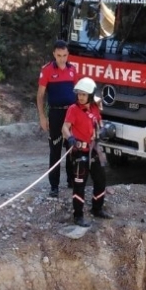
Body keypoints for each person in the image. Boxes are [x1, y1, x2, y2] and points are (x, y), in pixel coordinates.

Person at [62, 77, 111, 227]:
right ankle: (78, 216)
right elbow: (64, 127)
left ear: (90, 95)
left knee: (101, 180)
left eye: (84, 94)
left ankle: (97, 208)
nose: (80, 97)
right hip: (80, 152)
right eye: (79, 94)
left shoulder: (95, 108)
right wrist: (70, 137)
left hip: (94, 150)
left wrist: (103, 131)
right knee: (79, 185)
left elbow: (99, 123)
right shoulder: (73, 109)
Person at [37, 40, 78, 198]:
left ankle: (71, 181)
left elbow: (78, 94)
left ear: (68, 55)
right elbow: (40, 95)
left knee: (71, 149)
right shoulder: (47, 70)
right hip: (55, 114)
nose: (62, 59)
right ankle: (54, 186)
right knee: (55, 150)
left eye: (65, 55)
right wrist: (42, 116)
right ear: (54, 54)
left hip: (71, 115)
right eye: (59, 55)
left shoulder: (73, 70)